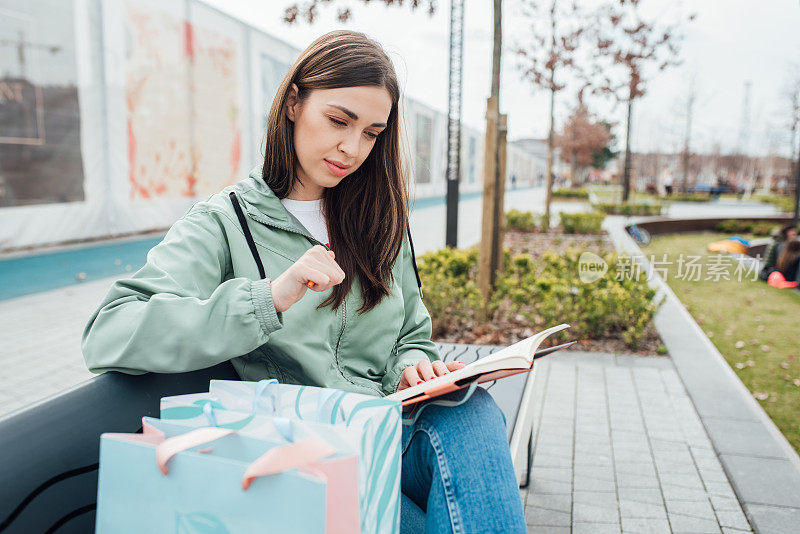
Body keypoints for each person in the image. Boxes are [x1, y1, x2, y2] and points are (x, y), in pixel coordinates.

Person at [81, 30, 526, 533]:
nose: (352, 148)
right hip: (309, 450)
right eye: (339, 121)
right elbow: (110, 331)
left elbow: (411, 336)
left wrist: (414, 368)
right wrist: (270, 297)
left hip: (389, 425)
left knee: (473, 413)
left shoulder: (380, 217)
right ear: (294, 102)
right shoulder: (225, 221)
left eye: (372, 132)